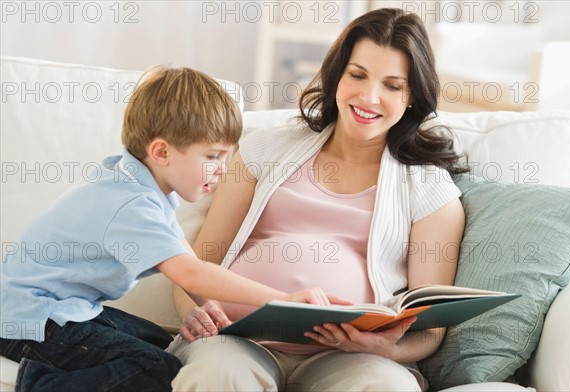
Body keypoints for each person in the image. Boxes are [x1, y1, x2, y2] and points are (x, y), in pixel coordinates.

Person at [169, 8, 467, 391]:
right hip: (237, 342)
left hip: (351, 360)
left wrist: (384, 349)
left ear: (412, 95)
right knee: (217, 376)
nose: (369, 97)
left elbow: (430, 332)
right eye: (357, 75)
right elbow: (193, 269)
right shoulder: (264, 150)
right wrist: (194, 314)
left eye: (392, 85)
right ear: (337, 76)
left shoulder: (430, 191)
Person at [0, 66, 345, 392]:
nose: (222, 170)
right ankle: (35, 383)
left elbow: (184, 258)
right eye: (212, 157)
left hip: (64, 309)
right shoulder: (130, 204)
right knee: (155, 367)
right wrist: (281, 300)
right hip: (28, 319)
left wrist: (207, 306)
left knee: (164, 346)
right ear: (162, 151)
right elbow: (192, 272)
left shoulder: (144, 187)